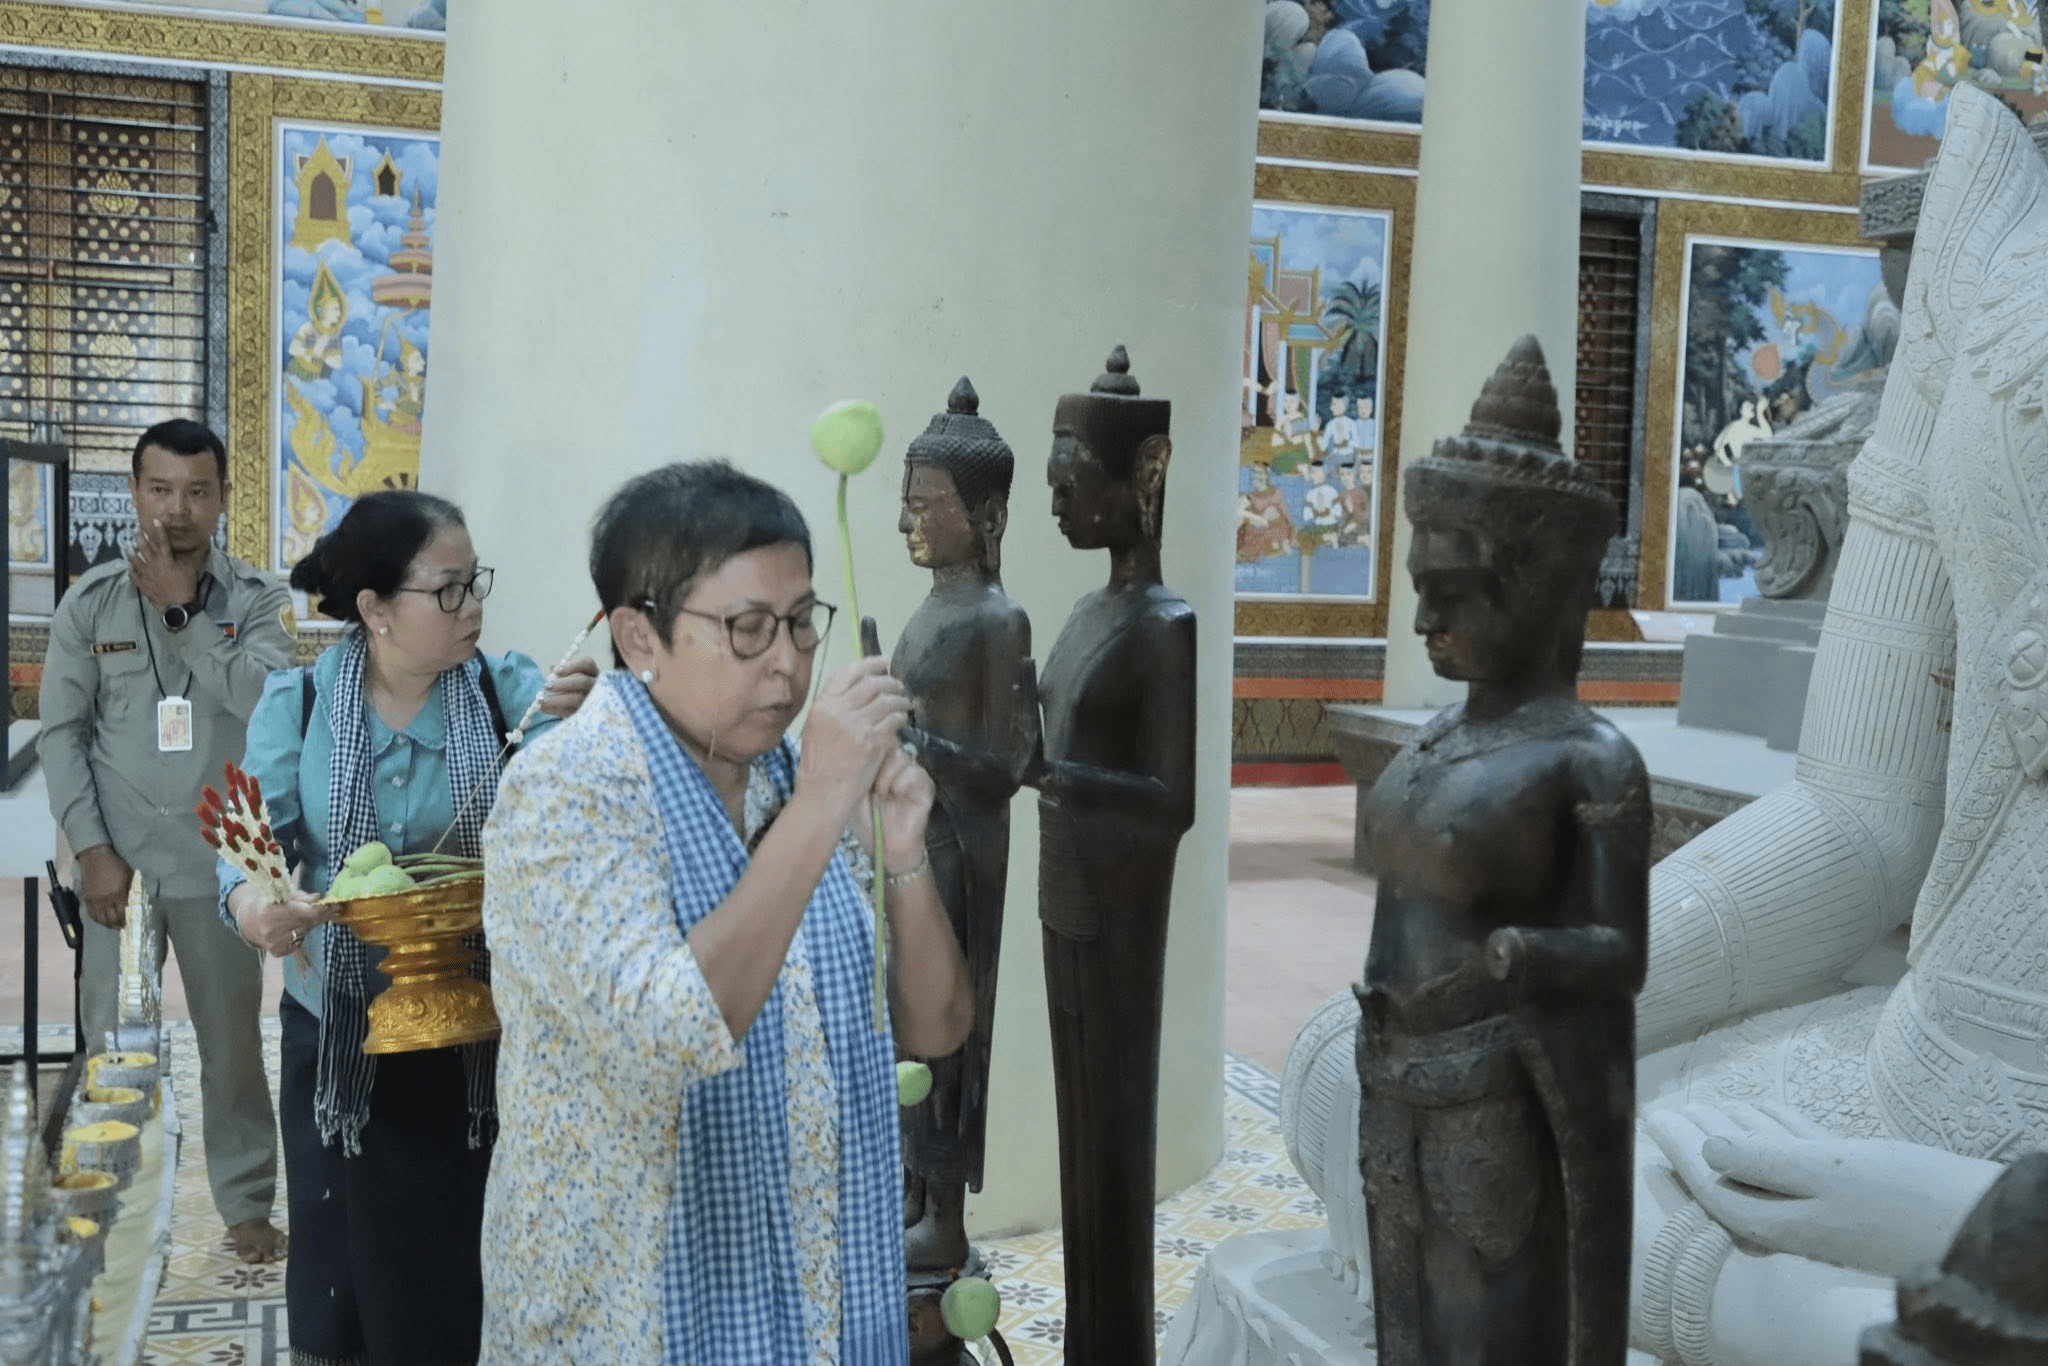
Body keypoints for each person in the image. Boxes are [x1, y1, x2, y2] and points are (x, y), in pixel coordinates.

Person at [477, 460, 975, 1363]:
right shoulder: (566, 791)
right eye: (747, 629)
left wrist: (902, 850)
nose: (787, 663)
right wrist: (827, 801)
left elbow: (936, 1026)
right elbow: (670, 1033)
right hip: (636, 1310)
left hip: (811, 1285)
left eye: (799, 624)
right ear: (639, 638)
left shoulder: (783, 777)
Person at [219, 490, 595, 1365]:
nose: (474, 609)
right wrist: (253, 906)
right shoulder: (301, 704)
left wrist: (579, 736)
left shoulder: (514, 697)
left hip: (478, 1046)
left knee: (456, 1276)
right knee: (345, 1279)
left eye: (476, 585)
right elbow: (248, 843)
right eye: (450, 590)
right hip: (340, 1039)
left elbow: (564, 832)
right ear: (375, 609)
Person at [38, 417, 294, 1264]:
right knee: (114, 1044)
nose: (176, 510)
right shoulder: (90, 604)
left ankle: (246, 1198)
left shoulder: (256, 599)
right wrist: (92, 848)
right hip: (124, 867)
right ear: (133, 491)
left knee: (231, 1050)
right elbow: (61, 734)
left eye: (196, 491)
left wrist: (182, 611)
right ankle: (101, 1201)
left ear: (222, 498)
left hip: (224, 865)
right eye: (159, 489)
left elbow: (266, 697)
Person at [1026, 346, 1197, 1365]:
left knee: (1114, 1146)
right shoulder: (1087, 611)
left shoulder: (1161, 623)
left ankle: (1116, 1343)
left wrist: (1055, 774)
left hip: (1123, 914)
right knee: (1075, 1142)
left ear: (1136, 480)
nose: (1056, 505)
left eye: (1069, 484)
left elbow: (1170, 801)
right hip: (1065, 896)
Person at [889, 376, 1036, 1271]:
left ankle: (944, 1211)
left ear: (984, 514)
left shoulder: (997, 619)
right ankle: (908, 1192)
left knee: (949, 1032)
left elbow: (1018, 761)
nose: (909, 517)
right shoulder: (932, 609)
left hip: (961, 858)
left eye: (926, 503)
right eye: (905, 501)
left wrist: (924, 746)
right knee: (908, 1024)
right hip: (912, 848)